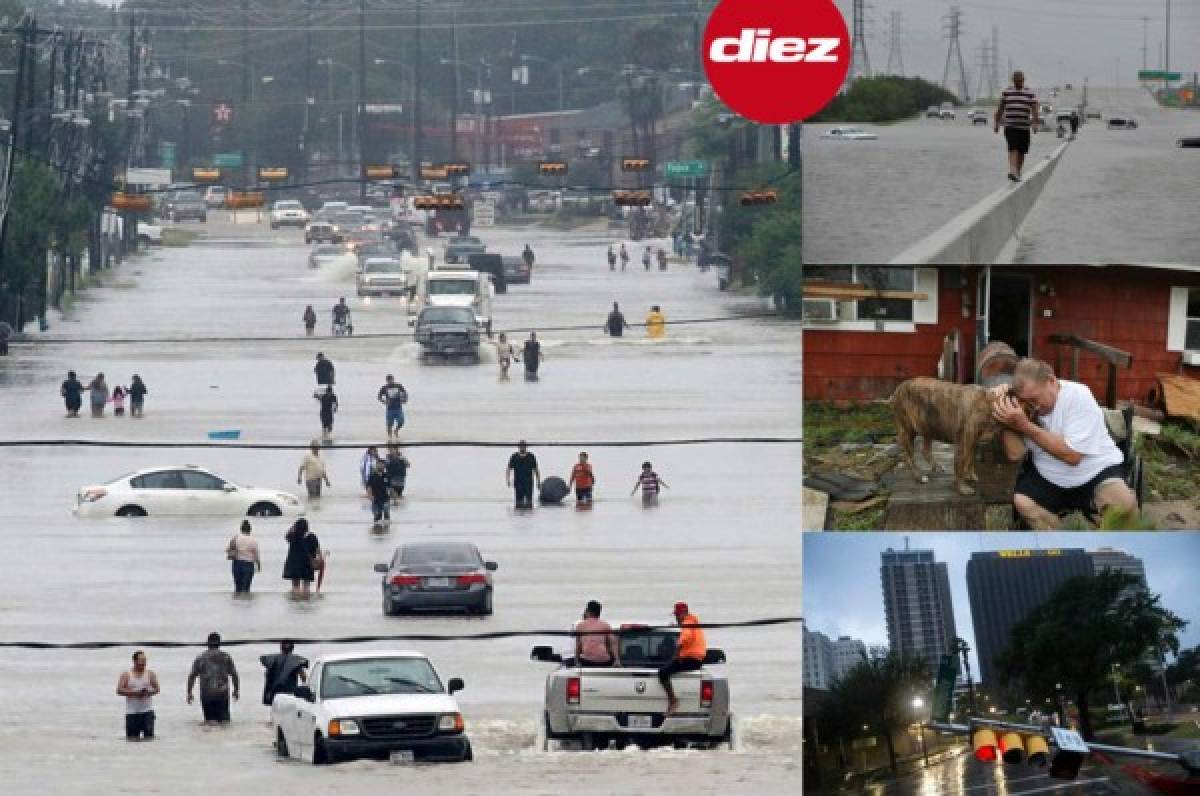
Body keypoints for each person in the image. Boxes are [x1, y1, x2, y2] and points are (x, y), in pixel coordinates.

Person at [991, 358, 1137, 530]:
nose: (1034, 407)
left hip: (1094, 470)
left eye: (1036, 398)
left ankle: (1109, 548)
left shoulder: (1077, 395)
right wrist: (1003, 419)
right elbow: (1015, 453)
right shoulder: (1019, 405)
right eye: (1027, 401)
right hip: (1049, 475)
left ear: (1052, 381)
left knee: (1125, 505)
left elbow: (1073, 456)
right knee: (1022, 502)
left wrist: (1025, 426)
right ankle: (1061, 543)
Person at [658, 602, 706, 714]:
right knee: (667, 669)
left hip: (691, 659)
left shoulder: (687, 622)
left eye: (677, 615)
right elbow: (687, 635)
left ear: (683, 613)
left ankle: (673, 700)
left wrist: (676, 654)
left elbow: (685, 637)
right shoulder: (693, 621)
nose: (676, 618)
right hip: (695, 660)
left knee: (663, 673)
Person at [994, 70, 1040, 182]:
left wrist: (1035, 123)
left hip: (1024, 127)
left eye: (1020, 80)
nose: (1018, 82)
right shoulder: (1007, 92)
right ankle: (1013, 171)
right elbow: (1000, 109)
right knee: (1013, 148)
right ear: (1013, 81)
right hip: (1010, 126)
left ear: (1023, 80)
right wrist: (997, 123)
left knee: (1022, 151)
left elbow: (1034, 109)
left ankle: (1017, 172)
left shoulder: (1029, 93)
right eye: (1016, 80)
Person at [187, 632, 240, 724]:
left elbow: (192, 676)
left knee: (210, 722)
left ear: (207, 643)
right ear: (219, 643)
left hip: (207, 694)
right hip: (222, 694)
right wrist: (236, 690)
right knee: (225, 722)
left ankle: (210, 736)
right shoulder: (226, 657)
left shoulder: (201, 658)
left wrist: (189, 692)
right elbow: (234, 674)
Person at [117, 650, 160, 741]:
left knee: (149, 740)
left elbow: (157, 689)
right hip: (132, 713)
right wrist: (135, 693)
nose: (143, 663)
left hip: (147, 712)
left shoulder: (150, 674)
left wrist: (148, 692)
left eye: (145, 660)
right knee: (132, 740)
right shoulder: (126, 675)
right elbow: (119, 690)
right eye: (141, 660)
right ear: (135, 661)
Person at [260, 641, 308, 707]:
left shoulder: (273, 660)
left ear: (281, 648)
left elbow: (267, 675)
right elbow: (303, 677)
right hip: (289, 695)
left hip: (275, 695)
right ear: (292, 648)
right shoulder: (296, 660)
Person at [283, 518, 321, 598]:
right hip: (307, 563)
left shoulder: (293, 536)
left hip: (294, 563)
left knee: (295, 586)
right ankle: (306, 600)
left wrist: (292, 528)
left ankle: (296, 601)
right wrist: (320, 560)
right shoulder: (312, 536)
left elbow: (286, 536)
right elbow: (317, 550)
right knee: (306, 586)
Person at [574, 600, 619, 668]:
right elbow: (613, 644)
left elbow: (578, 646)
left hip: (586, 660)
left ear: (588, 611)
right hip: (604, 661)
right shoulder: (605, 625)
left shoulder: (580, 626)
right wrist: (617, 660)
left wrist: (576, 661)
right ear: (599, 613)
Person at [227, 519, 261, 595]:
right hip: (248, 565)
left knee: (237, 587)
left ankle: (237, 603)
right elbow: (256, 555)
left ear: (241, 529)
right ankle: (246, 603)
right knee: (246, 588)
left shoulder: (235, 538)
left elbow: (228, 549)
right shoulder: (253, 540)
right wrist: (259, 565)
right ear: (250, 529)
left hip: (236, 563)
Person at [506, 440, 541, 509]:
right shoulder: (514, 456)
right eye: (521, 447)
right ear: (518, 447)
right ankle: (519, 514)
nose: (522, 448)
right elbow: (509, 469)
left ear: (526, 447)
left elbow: (536, 469)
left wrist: (538, 481)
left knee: (529, 502)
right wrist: (508, 479)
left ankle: (528, 516)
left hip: (529, 483)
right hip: (518, 482)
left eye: (524, 447)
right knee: (518, 502)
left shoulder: (531, 456)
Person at [367, 460, 391, 528]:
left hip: (385, 499)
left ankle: (386, 531)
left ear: (384, 466)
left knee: (386, 517)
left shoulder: (386, 476)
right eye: (379, 464)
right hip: (376, 499)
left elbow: (390, 488)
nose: (380, 465)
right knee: (377, 517)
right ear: (376, 465)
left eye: (382, 464)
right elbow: (369, 487)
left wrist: (395, 499)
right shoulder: (372, 476)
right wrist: (370, 496)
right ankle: (376, 530)